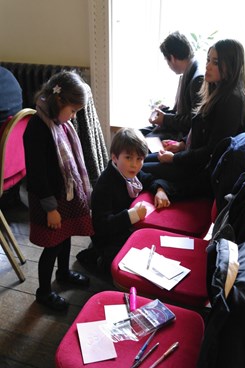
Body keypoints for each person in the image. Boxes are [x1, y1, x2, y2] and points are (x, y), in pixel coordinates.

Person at [142, 39, 245, 200]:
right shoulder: (218, 92)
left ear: (230, 65)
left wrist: (175, 158)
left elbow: (211, 152)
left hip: (200, 172)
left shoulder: (232, 102)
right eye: (208, 59)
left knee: (134, 168)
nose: (208, 66)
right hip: (193, 160)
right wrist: (182, 144)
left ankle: (123, 216)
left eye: (215, 62)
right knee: (138, 159)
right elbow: (202, 129)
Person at [23, 71, 93, 312]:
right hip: (48, 198)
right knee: (52, 244)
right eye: (73, 111)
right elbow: (37, 175)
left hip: (65, 193)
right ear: (60, 101)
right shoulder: (37, 128)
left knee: (67, 235)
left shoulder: (58, 122)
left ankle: (63, 273)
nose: (73, 116)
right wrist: (51, 208)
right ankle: (43, 291)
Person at [77, 127, 171, 276]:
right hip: (107, 238)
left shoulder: (131, 173)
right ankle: (97, 259)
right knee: (127, 265)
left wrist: (160, 190)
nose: (135, 164)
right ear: (114, 158)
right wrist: (132, 215)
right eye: (128, 158)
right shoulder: (105, 185)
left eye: (139, 159)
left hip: (124, 228)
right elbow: (102, 225)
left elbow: (148, 179)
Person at [141, 31, 204, 142]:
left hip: (182, 138)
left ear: (172, 58)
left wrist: (165, 118)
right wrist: (166, 113)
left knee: (135, 144)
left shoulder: (197, 79)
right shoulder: (190, 71)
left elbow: (192, 121)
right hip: (177, 130)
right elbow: (184, 113)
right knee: (134, 135)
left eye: (167, 60)